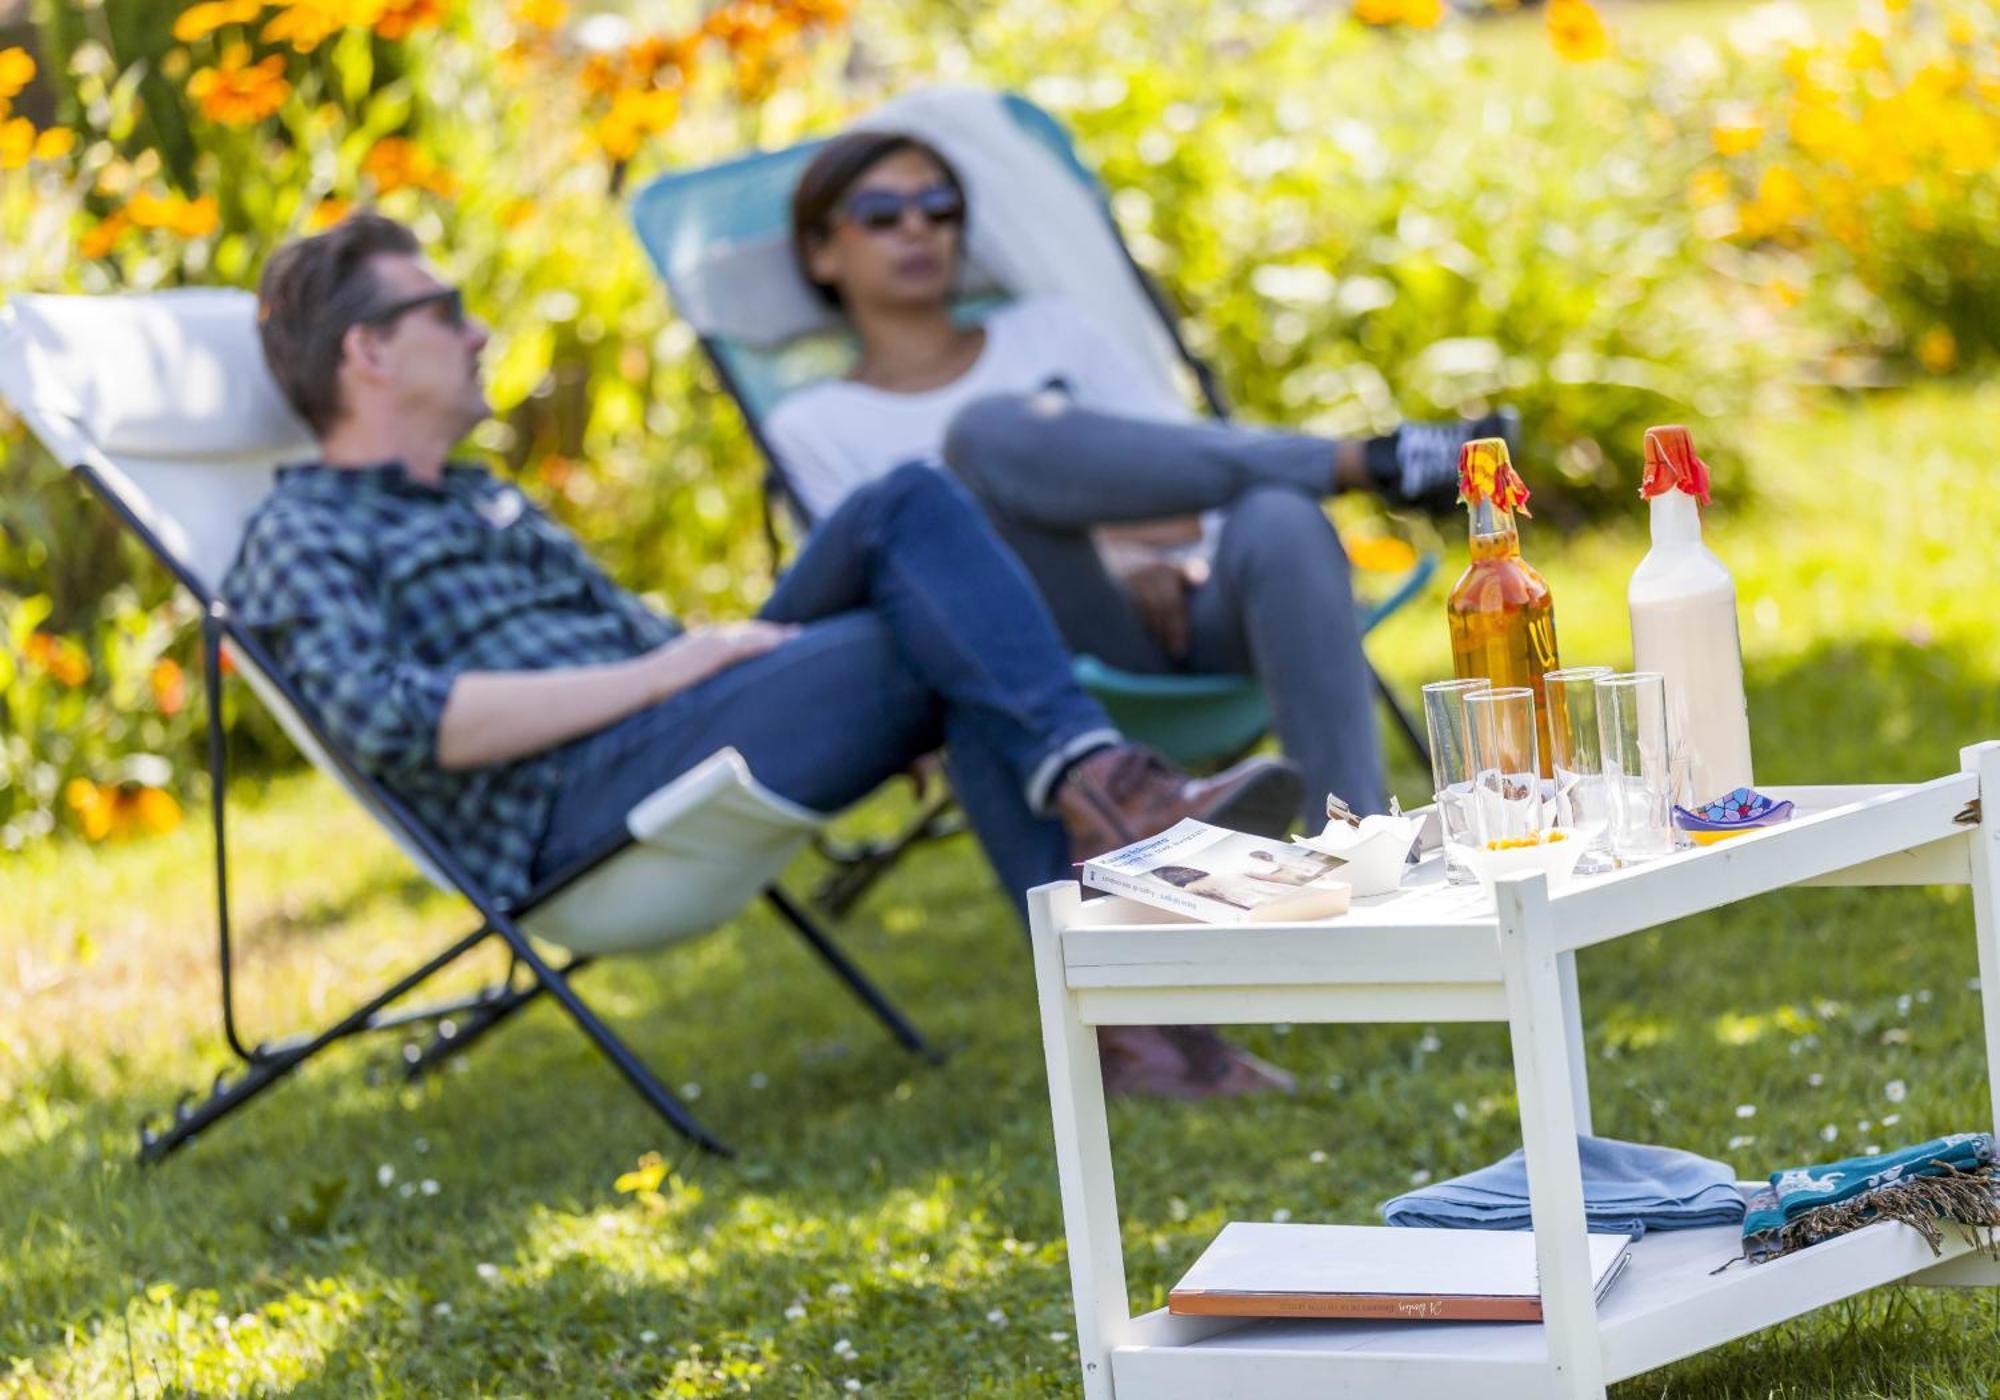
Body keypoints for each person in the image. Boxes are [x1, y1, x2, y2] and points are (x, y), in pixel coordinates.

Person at [223, 213, 1303, 1098]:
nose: (477, 334)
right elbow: (390, 720)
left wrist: (696, 663)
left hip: (670, 724)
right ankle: (1122, 867)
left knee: (915, 524)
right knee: (917, 561)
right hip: (573, 804)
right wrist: (663, 673)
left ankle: (1121, 909)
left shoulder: (481, 496)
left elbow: (648, 647)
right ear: (365, 351)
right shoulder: (305, 530)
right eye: (445, 311)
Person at [767, 131, 1516, 821]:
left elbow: (1192, 486)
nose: (918, 228)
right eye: (880, 213)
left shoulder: (1052, 331)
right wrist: (1116, 558)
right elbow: (899, 591)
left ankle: (1355, 841)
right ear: (821, 252)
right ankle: (1360, 462)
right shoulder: (816, 425)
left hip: (1204, 605)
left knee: (1280, 514)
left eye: (939, 207)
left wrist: (1148, 549)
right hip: (1052, 657)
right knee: (985, 436)